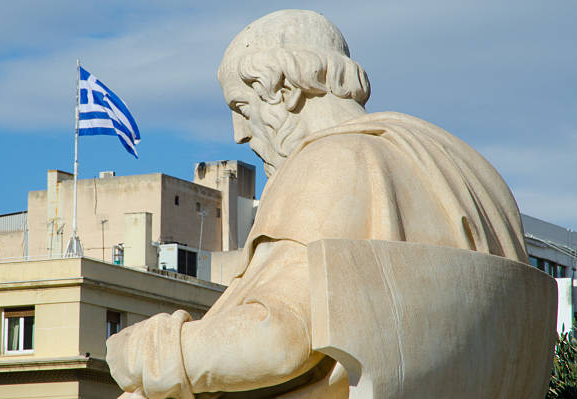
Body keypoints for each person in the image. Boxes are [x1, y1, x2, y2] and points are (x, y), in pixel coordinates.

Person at [106, 10, 529, 399]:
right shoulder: (477, 177)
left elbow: (279, 338)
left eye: (241, 107)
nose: (239, 133)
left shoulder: (332, 160)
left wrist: (146, 349)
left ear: (284, 91)